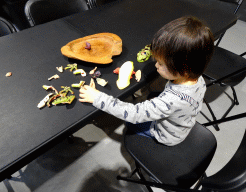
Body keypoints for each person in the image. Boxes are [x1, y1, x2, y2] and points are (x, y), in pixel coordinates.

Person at [79, 16, 214, 146]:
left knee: (129, 123)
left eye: (160, 64)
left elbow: (133, 114)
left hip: (167, 135)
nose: (156, 65)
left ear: (182, 71)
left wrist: (97, 98)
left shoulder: (171, 101)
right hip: (182, 122)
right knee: (152, 97)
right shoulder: (197, 76)